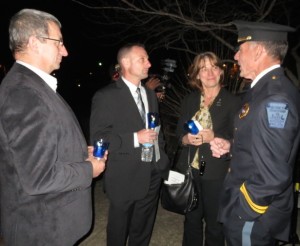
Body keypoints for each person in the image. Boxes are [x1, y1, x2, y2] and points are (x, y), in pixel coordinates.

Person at [0, 9, 106, 246]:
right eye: (58, 42)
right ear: (35, 43)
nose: (65, 51)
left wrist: (80, 155)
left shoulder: (32, 86)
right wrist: (89, 169)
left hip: (48, 227)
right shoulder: (24, 93)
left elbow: (39, 151)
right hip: (42, 231)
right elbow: (38, 177)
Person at [210, 20, 300, 245]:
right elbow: (265, 144)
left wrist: (243, 212)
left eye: (240, 49)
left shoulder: (274, 98)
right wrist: (232, 146)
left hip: (255, 215)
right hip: (252, 210)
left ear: (258, 51)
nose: (236, 56)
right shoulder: (263, 89)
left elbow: (273, 175)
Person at [90, 43, 170, 246]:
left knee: (142, 229)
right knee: (118, 231)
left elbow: (156, 128)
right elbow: (99, 137)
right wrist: (135, 138)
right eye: (142, 59)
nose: (149, 63)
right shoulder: (106, 96)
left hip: (152, 173)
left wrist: (162, 161)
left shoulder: (150, 94)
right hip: (124, 176)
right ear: (125, 62)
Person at [174, 51, 241, 246]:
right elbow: (179, 135)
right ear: (196, 74)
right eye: (204, 68)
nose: (209, 72)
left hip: (217, 171)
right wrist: (186, 139)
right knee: (192, 220)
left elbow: (241, 139)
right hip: (191, 170)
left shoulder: (233, 102)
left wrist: (216, 137)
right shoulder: (189, 100)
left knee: (214, 223)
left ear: (221, 71)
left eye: (214, 67)